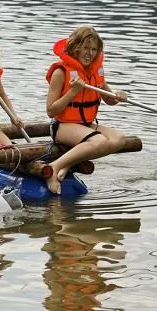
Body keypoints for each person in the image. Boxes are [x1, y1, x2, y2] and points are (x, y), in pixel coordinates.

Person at [44, 26, 127, 194]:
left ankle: (67, 164)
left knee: (119, 139)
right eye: (86, 48)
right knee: (100, 141)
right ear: (75, 48)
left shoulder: (96, 71)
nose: (90, 53)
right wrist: (72, 92)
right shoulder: (60, 72)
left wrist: (118, 96)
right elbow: (51, 111)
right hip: (63, 126)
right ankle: (53, 167)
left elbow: (109, 100)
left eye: (94, 49)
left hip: (86, 125)